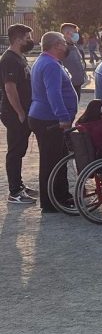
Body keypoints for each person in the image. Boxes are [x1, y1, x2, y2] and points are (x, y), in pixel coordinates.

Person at [28, 32, 78, 213]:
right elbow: (53, 93)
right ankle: (52, 202)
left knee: (56, 159)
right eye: (64, 43)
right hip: (49, 118)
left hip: (43, 116)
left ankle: (59, 196)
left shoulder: (45, 61)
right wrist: (63, 116)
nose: (66, 45)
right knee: (52, 161)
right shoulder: (50, 65)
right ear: (57, 45)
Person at [1, 24, 37, 203]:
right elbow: (10, 88)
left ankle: (20, 185)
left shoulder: (20, 57)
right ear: (17, 39)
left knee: (20, 150)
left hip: (23, 112)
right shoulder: (9, 60)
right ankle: (14, 192)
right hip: (14, 113)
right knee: (15, 151)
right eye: (27, 38)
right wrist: (20, 112)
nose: (30, 41)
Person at [60, 23, 87, 100]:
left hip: (77, 84)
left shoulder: (75, 47)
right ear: (67, 33)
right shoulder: (62, 49)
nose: (77, 35)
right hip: (68, 86)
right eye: (75, 32)